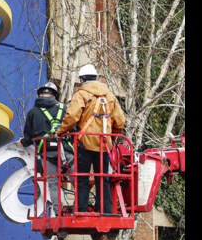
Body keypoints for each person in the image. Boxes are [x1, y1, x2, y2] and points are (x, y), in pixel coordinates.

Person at [56, 64, 127, 214]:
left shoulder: (81, 94)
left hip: (85, 143)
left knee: (82, 178)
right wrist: (111, 136)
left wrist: (61, 131)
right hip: (104, 144)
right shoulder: (110, 96)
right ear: (95, 77)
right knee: (103, 178)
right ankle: (105, 209)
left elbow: (72, 117)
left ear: (82, 79)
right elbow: (120, 120)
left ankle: (81, 208)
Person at [20, 81, 71, 216]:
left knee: (53, 183)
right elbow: (75, 128)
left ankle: (58, 212)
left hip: (47, 153)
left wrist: (22, 142)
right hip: (66, 151)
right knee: (78, 179)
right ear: (54, 95)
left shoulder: (33, 112)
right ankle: (81, 208)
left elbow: (28, 137)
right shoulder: (65, 109)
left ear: (40, 94)